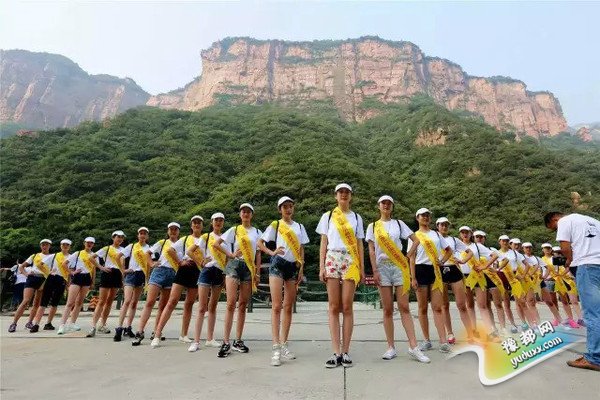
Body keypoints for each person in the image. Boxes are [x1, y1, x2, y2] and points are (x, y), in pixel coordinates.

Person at [365, 195, 429, 362]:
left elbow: (416, 240)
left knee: (404, 306)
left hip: (399, 266)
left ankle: (414, 347)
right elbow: (371, 250)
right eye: (383, 203)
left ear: (392, 206)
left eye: (389, 203)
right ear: (378, 206)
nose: (386, 206)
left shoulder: (399, 224)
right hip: (382, 267)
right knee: (387, 309)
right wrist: (374, 270)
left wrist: (406, 256)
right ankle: (391, 347)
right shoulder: (373, 226)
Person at [317, 183, 365, 368]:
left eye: (347, 192)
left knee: (347, 306)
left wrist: (361, 268)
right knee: (333, 306)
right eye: (340, 192)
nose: (344, 195)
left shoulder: (357, 218)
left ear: (351, 196)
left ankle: (345, 352)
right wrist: (321, 267)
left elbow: (359, 244)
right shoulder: (328, 216)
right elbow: (323, 242)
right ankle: (336, 352)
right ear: (335, 196)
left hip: (350, 260)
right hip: (332, 257)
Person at [545, 211, 600, 371]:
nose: (556, 230)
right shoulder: (594, 221)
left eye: (554, 228)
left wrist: (569, 261)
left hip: (587, 266)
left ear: (554, 220)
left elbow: (565, 247)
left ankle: (595, 357)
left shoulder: (564, 221)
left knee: (592, 313)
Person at [258, 196, 310, 366]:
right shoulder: (276, 224)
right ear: (280, 209)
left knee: (288, 306)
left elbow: (301, 248)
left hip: (293, 267)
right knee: (276, 306)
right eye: (285, 206)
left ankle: (284, 344)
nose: (288, 209)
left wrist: (301, 268)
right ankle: (276, 348)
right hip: (277, 264)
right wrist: (271, 252)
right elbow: (260, 243)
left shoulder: (299, 227)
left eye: (290, 206)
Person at [213, 203, 262, 358]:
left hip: (249, 268)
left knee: (242, 304)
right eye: (243, 211)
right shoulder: (234, 230)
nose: (245, 214)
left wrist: (257, 273)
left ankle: (238, 340)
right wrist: (231, 254)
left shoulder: (257, 232)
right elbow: (216, 244)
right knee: (230, 303)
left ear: (252, 214)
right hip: (234, 265)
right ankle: (226, 341)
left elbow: (258, 253)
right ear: (240, 214)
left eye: (248, 212)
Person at [151, 216, 204, 347]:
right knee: (172, 301)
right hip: (184, 269)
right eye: (194, 223)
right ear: (191, 225)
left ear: (202, 225)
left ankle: (184, 334)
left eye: (199, 223)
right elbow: (170, 250)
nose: (197, 225)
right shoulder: (185, 239)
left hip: (197, 271)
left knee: (189, 303)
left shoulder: (205, 239)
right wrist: (180, 262)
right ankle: (157, 334)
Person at [408, 208, 452, 354]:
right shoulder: (414, 236)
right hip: (420, 270)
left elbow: (449, 250)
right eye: (423, 215)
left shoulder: (436, 234)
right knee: (422, 308)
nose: (425, 217)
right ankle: (426, 340)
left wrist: (442, 261)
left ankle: (443, 341)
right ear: (417, 218)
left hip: (434, 270)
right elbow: (412, 258)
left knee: (437, 307)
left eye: (427, 215)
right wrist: (413, 277)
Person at [132, 222, 180, 346]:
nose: (173, 231)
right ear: (168, 231)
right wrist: (152, 263)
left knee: (163, 305)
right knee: (150, 302)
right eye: (171, 229)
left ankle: (157, 331)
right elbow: (147, 253)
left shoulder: (181, 243)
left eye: (175, 229)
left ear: (178, 231)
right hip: (159, 271)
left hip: (172, 273)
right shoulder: (162, 242)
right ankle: (140, 331)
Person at [187, 213, 228, 352]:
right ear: (212, 222)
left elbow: (228, 257)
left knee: (213, 306)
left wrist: (225, 273)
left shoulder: (225, 238)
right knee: (201, 307)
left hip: (219, 272)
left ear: (223, 222)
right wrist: (200, 262)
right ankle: (196, 341)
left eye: (221, 220)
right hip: (207, 271)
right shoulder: (206, 236)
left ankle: (210, 339)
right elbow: (190, 251)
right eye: (216, 220)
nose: (218, 222)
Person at [435, 218, 475, 345]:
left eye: (446, 225)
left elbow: (470, 252)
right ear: (437, 226)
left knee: (461, 305)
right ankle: (450, 333)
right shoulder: (433, 238)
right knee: (444, 305)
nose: (444, 227)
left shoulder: (454, 240)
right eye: (442, 225)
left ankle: (470, 334)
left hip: (454, 270)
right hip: (439, 271)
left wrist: (463, 261)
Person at [113, 227, 152, 341]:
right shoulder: (132, 246)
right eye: (141, 233)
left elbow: (149, 265)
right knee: (127, 301)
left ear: (147, 236)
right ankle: (119, 327)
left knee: (134, 302)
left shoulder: (149, 248)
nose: (142, 235)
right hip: (131, 274)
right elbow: (118, 257)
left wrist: (147, 278)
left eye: (144, 233)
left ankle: (128, 327)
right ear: (138, 235)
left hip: (141, 275)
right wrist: (123, 270)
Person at [86, 230, 126, 337]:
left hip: (117, 274)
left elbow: (123, 265)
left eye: (122, 237)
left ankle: (102, 324)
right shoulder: (106, 248)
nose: (120, 239)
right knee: (101, 301)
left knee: (109, 301)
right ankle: (93, 326)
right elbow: (91, 258)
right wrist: (101, 267)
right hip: (107, 272)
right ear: (113, 237)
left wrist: (123, 279)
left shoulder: (123, 250)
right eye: (118, 237)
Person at [8, 239, 52, 332]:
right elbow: (21, 266)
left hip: (43, 279)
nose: (44, 246)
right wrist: (26, 274)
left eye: (46, 245)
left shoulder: (52, 257)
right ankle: (14, 323)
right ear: (40, 246)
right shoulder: (35, 256)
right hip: (32, 278)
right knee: (26, 301)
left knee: (36, 303)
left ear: (49, 246)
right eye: (43, 245)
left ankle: (30, 322)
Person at [57, 237, 100, 334]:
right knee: (70, 302)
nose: (89, 244)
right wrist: (72, 272)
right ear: (84, 243)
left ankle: (72, 323)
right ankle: (62, 325)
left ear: (93, 244)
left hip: (87, 278)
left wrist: (92, 282)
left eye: (91, 243)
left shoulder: (95, 255)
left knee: (79, 302)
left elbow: (93, 270)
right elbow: (64, 264)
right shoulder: (78, 253)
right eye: (87, 242)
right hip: (77, 277)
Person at [30, 239, 72, 332]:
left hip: (62, 280)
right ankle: (36, 324)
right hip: (51, 278)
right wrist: (48, 272)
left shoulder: (71, 257)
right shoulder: (54, 255)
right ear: (60, 245)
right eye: (63, 244)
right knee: (43, 302)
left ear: (69, 247)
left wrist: (68, 284)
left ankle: (48, 323)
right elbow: (39, 265)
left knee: (55, 303)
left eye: (67, 245)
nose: (65, 246)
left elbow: (69, 272)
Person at [540, 244, 580, 328]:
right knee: (553, 301)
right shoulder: (541, 259)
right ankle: (557, 319)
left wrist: (561, 274)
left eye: (549, 248)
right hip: (548, 281)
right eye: (545, 248)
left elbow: (567, 267)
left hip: (558, 281)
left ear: (551, 249)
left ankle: (571, 319)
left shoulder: (555, 258)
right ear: (542, 250)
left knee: (564, 300)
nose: (547, 250)